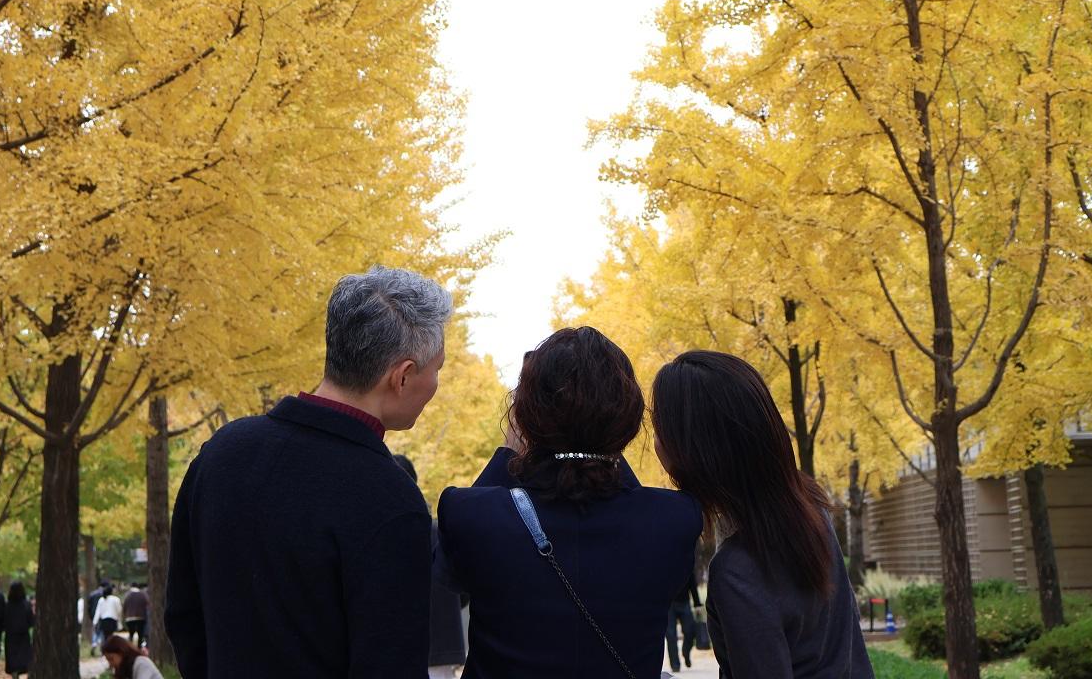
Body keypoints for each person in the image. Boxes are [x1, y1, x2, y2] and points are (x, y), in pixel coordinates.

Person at [166, 267, 451, 678]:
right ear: (402, 376)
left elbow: (184, 614)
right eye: (436, 369)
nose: (436, 383)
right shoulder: (390, 498)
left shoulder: (222, 453)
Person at [436, 326, 703, 678]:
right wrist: (604, 444)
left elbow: (450, 579)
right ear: (627, 415)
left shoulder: (471, 514)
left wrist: (507, 451)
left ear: (526, 416)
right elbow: (635, 505)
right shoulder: (675, 520)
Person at [650, 351, 874, 679]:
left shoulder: (738, 572)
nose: (655, 443)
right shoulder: (812, 508)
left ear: (695, 451)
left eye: (660, 429)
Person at [394, 454, 466, 679]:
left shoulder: (387, 531)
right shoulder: (439, 531)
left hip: (403, 647)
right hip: (443, 644)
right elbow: (462, 589)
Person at [666, 567, 701, 672]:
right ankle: (675, 665)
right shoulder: (663, 564)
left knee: (690, 631)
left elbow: (692, 583)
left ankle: (686, 652)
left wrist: (697, 603)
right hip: (669, 605)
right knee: (671, 635)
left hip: (684, 603)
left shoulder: (685, 561)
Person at [3, 581, 34, 678]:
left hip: (10, 635)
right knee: (24, 656)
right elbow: (31, 620)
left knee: (12, 657)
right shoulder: (26, 604)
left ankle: (14, 674)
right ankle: (27, 672)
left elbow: (3, 620)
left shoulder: (7, 605)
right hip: (23, 635)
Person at [123, 583, 149, 648]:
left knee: (131, 634)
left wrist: (124, 616)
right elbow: (147, 604)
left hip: (129, 618)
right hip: (141, 617)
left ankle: (130, 648)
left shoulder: (127, 595)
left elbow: (124, 606)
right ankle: (139, 648)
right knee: (140, 635)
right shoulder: (143, 594)